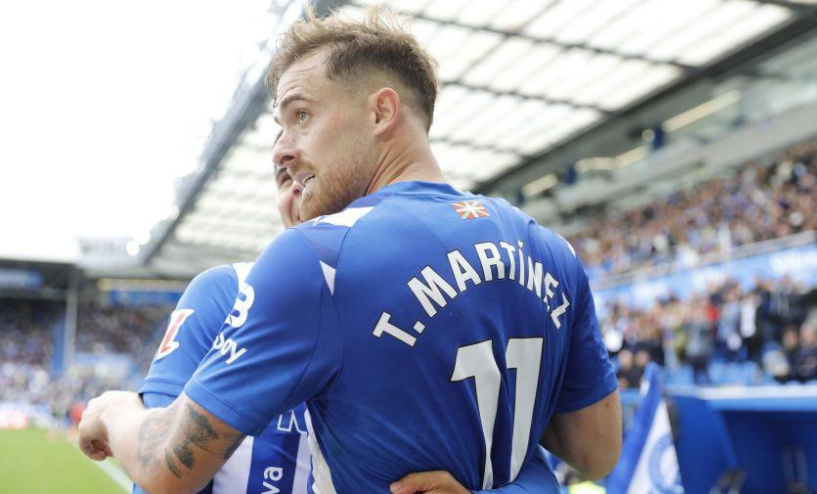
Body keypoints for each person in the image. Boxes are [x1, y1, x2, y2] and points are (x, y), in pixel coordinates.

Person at [79, 8, 621, 493]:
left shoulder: (319, 257)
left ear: (382, 112)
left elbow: (166, 470)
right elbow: (597, 453)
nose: (282, 150)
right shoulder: (551, 252)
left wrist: (115, 411)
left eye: (301, 116)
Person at [133, 156, 559, 493]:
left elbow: (528, 466)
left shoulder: (427, 311)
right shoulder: (224, 293)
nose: (296, 185)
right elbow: (159, 467)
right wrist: (115, 413)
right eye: (284, 178)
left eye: (308, 171)